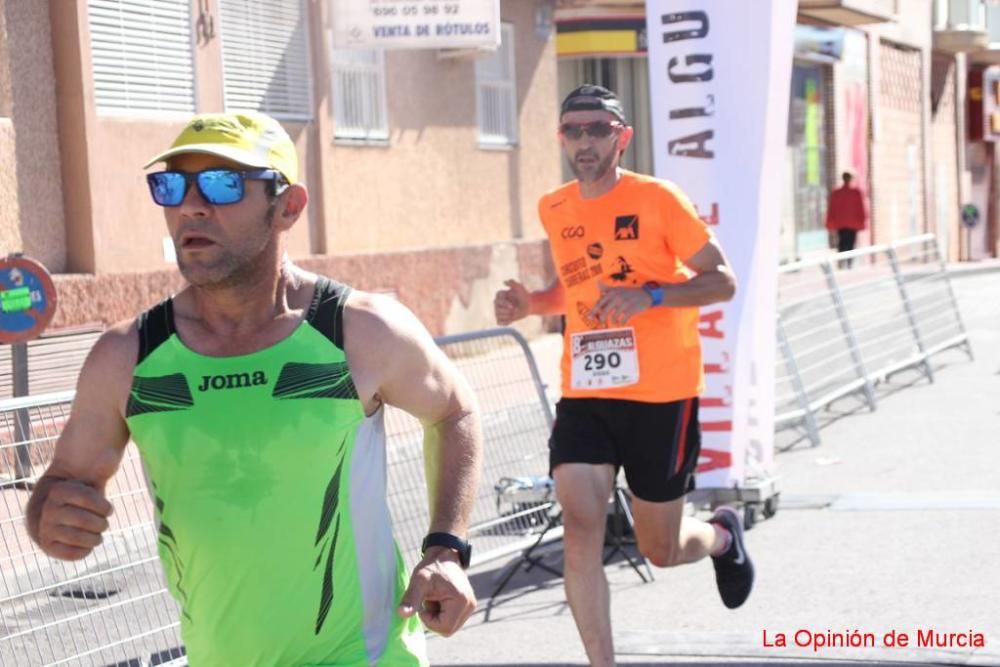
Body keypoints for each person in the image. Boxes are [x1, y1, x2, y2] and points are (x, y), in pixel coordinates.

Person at [26, 112, 482, 666]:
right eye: (171, 186)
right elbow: (64, 486)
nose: (191, 205)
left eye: (223, 183)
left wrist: (447, 549)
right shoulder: (127, 356)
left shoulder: (359, 330)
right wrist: (51, 522)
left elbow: (454, 413)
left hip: (363, 657)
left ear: (288, 206)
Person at [494, 85, 754, 667]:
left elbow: (723, 281)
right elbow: (576, 287)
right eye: (573, 130)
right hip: (586, 393)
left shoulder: (659, 199)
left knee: (659, 548)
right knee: (581, 528)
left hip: (662, 395)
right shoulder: (555, 207)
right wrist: (533, 303)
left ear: (622, 136)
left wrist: (652, 296)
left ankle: (721, 536)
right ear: (562, 139)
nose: (585, 141)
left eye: (598, 128)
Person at [825, 170, 868, 269]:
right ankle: (848, 263)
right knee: (849, 243)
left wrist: (830, 222)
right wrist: (862, 221)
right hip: (851, 224)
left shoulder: (838, 193)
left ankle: (843, 263)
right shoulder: (854, 193)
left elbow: (832, 209)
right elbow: (861, 208)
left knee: (843, 243)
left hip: (842, 224)